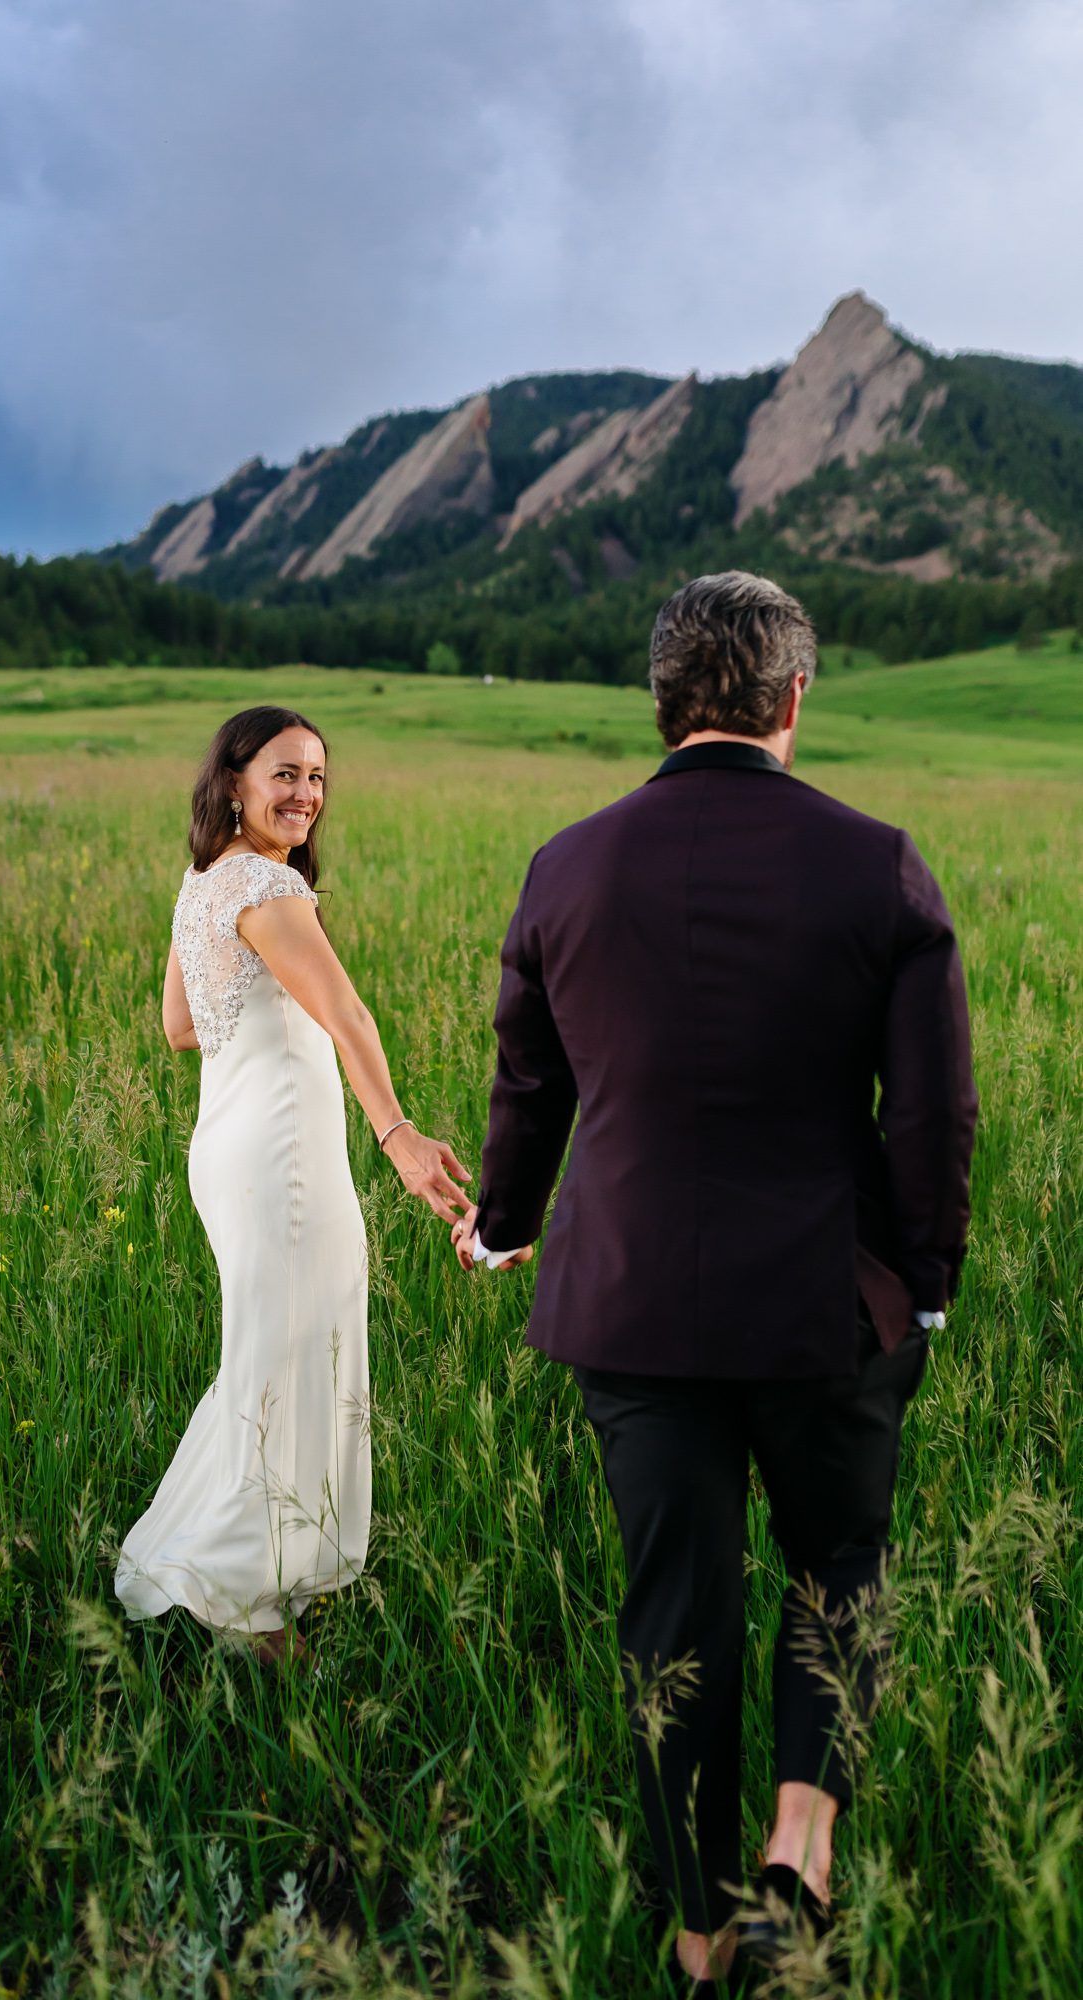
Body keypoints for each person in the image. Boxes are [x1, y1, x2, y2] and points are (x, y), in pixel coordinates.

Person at [453, 573, 977, 1985]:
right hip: (829, 1301)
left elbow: (527, 1079)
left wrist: (504, 1220)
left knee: (673, 1616)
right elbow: (932, 1112)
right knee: (839, 1567)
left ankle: (695, 1940)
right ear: (794, 697)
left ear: (663, 699)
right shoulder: (878, 862)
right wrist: (922, 1279)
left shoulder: (566, 864)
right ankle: (797, 1847)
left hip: (628, 1306)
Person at [115, 705, 472, 1666]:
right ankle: (247, 1600)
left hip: (231, 1150)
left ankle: (250, 1561)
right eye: (284, 774)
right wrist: (396, 1133)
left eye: (317, 776)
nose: (306, 795)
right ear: (232, 780)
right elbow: (347, 1012)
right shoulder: (267, 886)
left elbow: (181, 1027)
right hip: (280, 1163)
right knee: (289, 1359)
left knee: (271, 1353)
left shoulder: (204, 879)